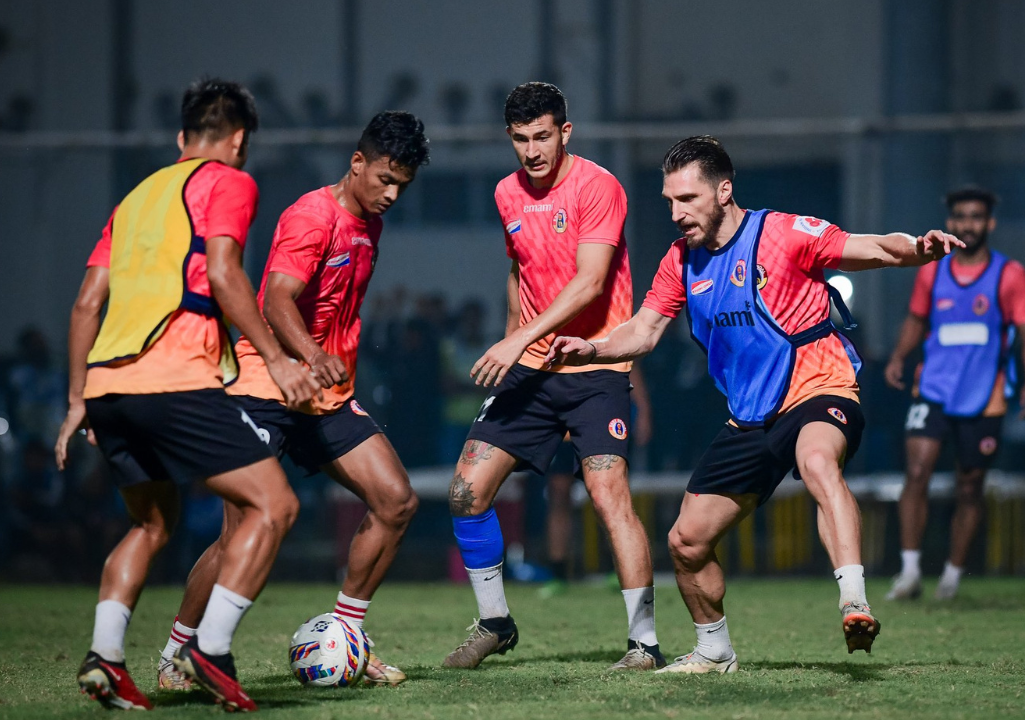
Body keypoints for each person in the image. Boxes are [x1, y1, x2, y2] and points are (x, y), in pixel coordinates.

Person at [547, 135, 962, 673]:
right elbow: (645, 331)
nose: (676, 213)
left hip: (819, 387)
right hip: (749, 417)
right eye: (670, 200)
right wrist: (592, 348)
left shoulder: (783, 234)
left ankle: (854, 600)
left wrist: (918, 247)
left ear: (724, 191)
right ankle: (714, 650)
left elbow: (874, 247)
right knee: (686, 542)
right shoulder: (681, 262)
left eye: (688, 199)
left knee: (817, 462)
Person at [54, 78, 319, 711]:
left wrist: (76, 401)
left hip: (109, 386)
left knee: (152, 523)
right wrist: (278, 361)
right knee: (274, 506)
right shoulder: (230, 181)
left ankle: (106, 658)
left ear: (180, 138)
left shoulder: (136, 196)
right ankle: (211, 648)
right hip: (172, 378)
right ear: (238, 140)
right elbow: (227, 275)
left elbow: (86, 303)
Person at [152, 111, 429, 691]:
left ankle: (347, 639)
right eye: (384, 178)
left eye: (402, 183)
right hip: (266, 385)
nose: (392, 193)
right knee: (240, 533)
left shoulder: (369, 223)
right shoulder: (310, 216)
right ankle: (176, 655)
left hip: (326, 395)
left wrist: (327, 365)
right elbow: (277, 299)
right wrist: (308, 354)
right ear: (357, 163)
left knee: (396, 500)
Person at [441, 82, 661, 671]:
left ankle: (644, 643)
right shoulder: (505, 192)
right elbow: (518, 269)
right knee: (466, 491)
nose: (532, 150)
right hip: (531, 371)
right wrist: (514, 338)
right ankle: (494, 622)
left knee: (608, 495)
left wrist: (518, 337)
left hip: (595, 364)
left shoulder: (598, 186)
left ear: (566, 132)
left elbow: (591, 281)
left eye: (543, 136)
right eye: (520, 139)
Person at [884, 186, 1025, 601]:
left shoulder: (1010, 275)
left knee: (970, 486)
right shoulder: (932, 271)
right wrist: (899, 356)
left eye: (975, 217)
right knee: (916, 474)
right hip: (932, 388)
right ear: (950, 222)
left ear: (988, 222)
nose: (967, 224)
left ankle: (952, 576)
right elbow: (917, 320)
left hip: (984, 397)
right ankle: (910, 571)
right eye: (960, 217)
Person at [541, 365, 652, 598]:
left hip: (603, 415)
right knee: (559, 495)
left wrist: (643, 411)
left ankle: (617, 570)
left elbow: (629, 364)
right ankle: (558, 574)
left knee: (609, 496)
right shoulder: (549, 332)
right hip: (561, 419)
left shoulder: (606, 328)